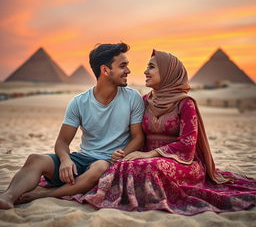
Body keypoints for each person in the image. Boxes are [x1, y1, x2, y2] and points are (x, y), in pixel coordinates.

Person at [62, 49, 256, 215]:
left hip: (182, 162)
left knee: (148, 167)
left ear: (168, 72)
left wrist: (149, 154)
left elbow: (188, 144)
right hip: (144, 157)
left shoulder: (185, 103)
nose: (145, 71)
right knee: (119, 165)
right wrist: (124, 153)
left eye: (152, 67)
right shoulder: (144, 101)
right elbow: (134, 134)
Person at [0, 42, 145, 210]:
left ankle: (45, 194)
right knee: (35, 159)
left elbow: (138, 137)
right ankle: (7, 196)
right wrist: (65, 160)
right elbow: (62, 141)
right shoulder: (79, 102)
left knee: (99, 166)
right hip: (82, 159)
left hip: (106, 162)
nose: (128, 70)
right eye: (123, 66)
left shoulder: (132, 98)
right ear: (105, 70)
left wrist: (123, 153)